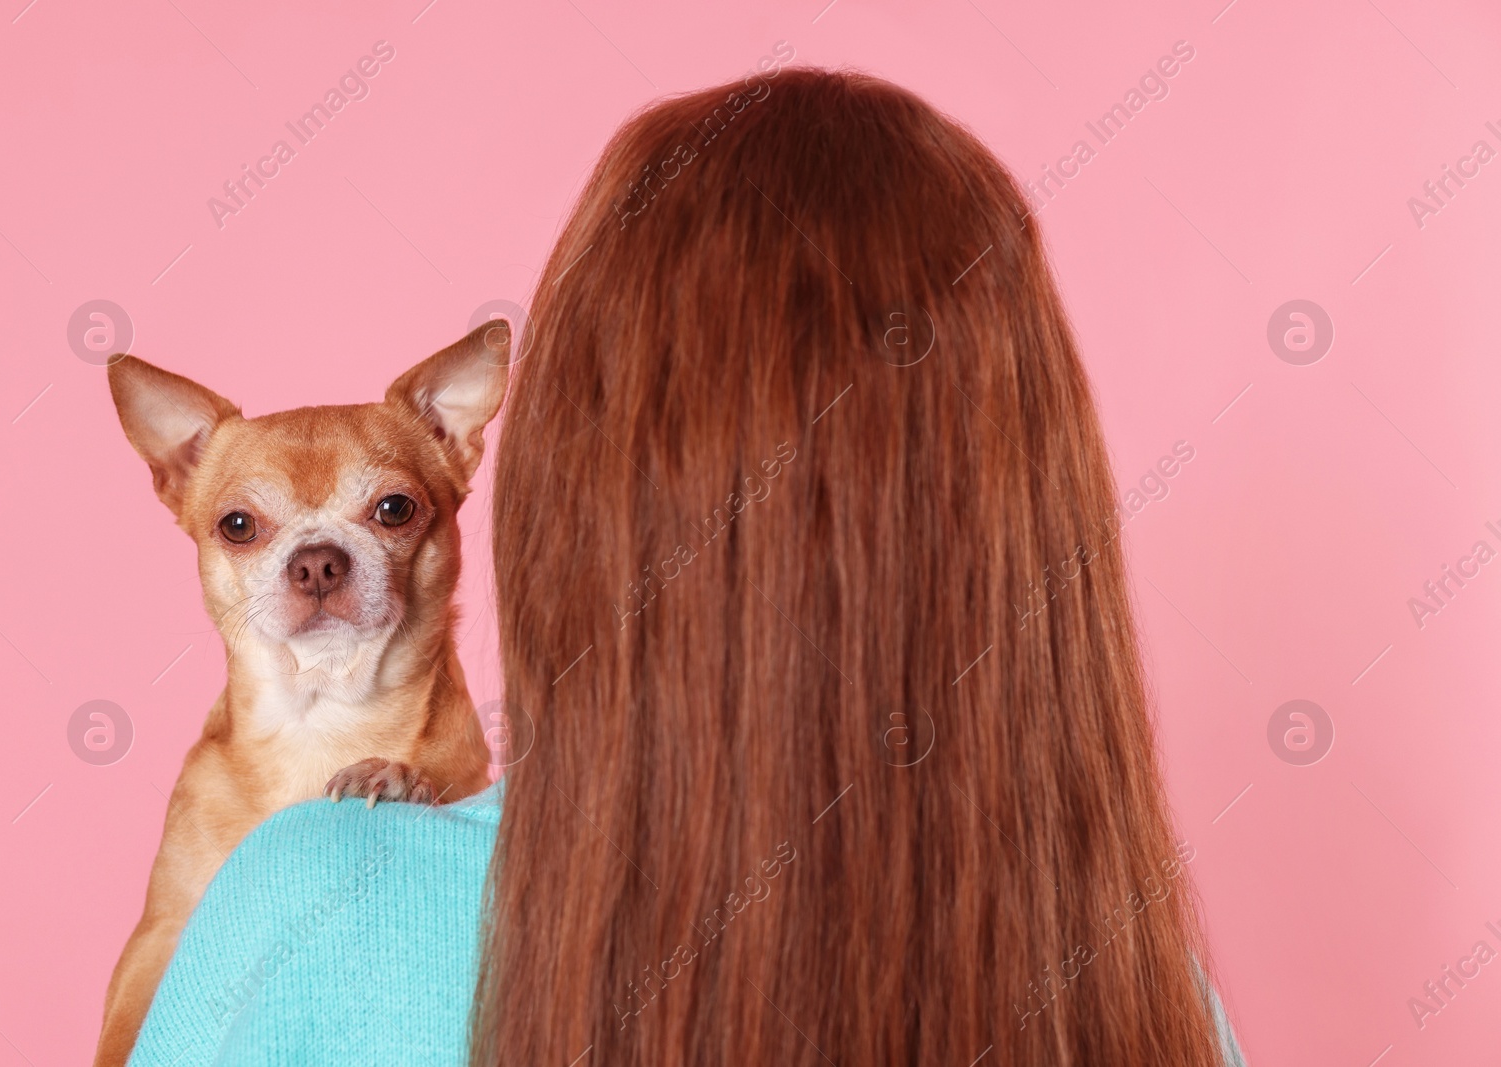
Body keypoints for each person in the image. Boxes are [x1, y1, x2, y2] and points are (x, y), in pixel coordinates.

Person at [128, 68, 1245, 1066]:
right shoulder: (1143, 992)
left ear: (568, 491)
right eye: (247, 527)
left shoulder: (320, 899)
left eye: (386, 510)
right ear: (1026, 516)